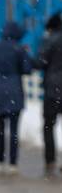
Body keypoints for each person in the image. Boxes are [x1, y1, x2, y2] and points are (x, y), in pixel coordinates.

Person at [0, 21, 32, 175]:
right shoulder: (19, 49)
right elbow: (27, 69)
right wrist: (26, 54)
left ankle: (0, 161)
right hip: (14, 90)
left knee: (0, 128)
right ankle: (13, 163)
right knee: (14, 129)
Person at [37, 13, 62, 177]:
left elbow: (41, 62)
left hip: (53, 90)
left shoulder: (50, 39)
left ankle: (50, 160)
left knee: (48, 126)